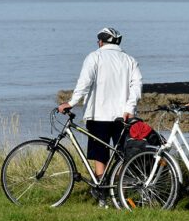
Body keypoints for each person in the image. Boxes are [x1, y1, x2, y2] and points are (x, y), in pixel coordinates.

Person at [57, 27, 143, 195]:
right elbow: (137, 86)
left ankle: (102, 189)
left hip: (99, 114)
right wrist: (130, 108)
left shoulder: (94, 57)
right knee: (122, 155)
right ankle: (119, 191)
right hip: (123, 116)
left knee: (100, 154)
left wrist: (72, 102)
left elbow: (84, 82)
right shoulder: (129, 60)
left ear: (101, 42)